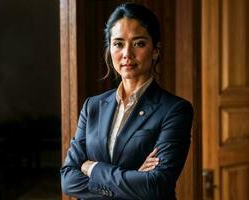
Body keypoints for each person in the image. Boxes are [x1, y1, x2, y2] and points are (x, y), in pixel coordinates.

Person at [60, 2, 193, 200]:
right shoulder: (92, 106)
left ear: (155, 50)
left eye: (139, 43)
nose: (127, 54)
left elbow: (155, 186)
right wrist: (133, 180)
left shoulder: (174, 110)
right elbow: (68, 179)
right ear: (109, 49)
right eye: (118, 43)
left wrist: (92, 167)